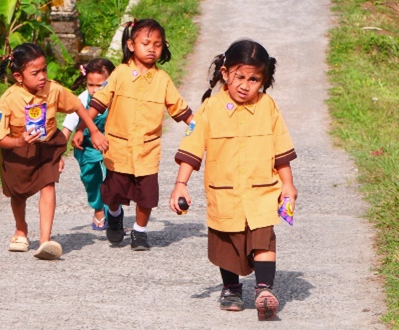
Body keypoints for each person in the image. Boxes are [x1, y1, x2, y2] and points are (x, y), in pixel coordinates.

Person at [169, 39, 298, 320]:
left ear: (263, 81)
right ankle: (231, 288)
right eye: (240, 77)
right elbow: (191, 149)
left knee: (264, 239)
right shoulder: (209, 109)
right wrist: (181, 184)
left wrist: (288, 184)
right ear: (225, 73)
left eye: (254, 79)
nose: (245, 85)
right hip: (224, 193)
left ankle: (264, 289)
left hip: (262, 191)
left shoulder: (268, 107)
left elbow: (281, 151)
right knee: (226, 244)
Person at [72, 19, 193, 251]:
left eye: (157, 44)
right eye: (145, 43)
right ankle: (115, 215)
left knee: (146, 196)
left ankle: (140, 232)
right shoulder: (119, 74)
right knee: (113, 194)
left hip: (148, 150)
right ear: (130, 44)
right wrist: (82, 129)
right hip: (118, 149)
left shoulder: (162, 79)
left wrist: (197, 126)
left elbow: (179, 108)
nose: (151, 49)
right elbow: (98, 102)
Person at [0, 43, 108, 260]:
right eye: (35, 72)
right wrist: (19, 142)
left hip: (47, 147)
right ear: (18, 76)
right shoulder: (8, 99)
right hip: (18, 152)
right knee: (17, 193)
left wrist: (94, 130)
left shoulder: (53, 89)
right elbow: (0, 138)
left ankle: (45, 240)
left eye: (44, 70)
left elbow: (78, 106)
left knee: (48, 185)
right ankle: (21, 229)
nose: (42, 76)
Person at [61, 58, 116, 231]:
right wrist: (58, 154)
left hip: (110, 145)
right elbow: (67, 128)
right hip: (86, 146)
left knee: (113, 179)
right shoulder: (81, 100)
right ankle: (98, 208)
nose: (94, 90)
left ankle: (113, 211)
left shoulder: (117, 100)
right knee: (90, 179)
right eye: (90, 85)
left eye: (100, 85)